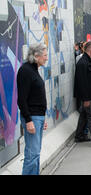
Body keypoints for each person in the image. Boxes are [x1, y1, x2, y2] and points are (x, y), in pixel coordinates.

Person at [17, 43, 49, 175]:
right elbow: (22, 99)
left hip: (38, 117)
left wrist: (43, 118)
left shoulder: (34, 69)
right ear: (36, 56)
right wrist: (29, 120)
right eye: (45, 55)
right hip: (32, 117)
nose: (46, 58)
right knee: (32, 154)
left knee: (35, 153)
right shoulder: (26, 71)